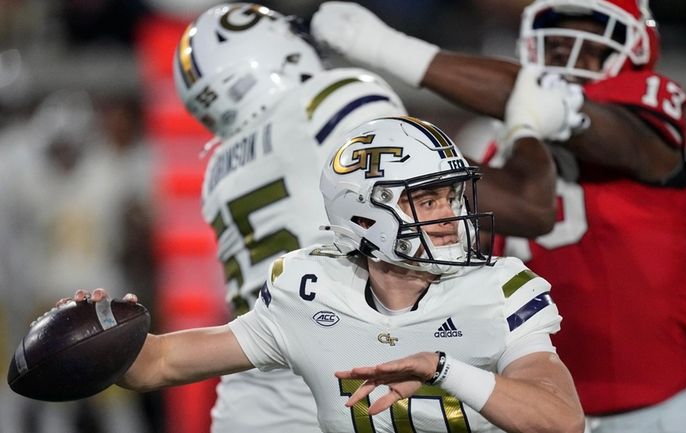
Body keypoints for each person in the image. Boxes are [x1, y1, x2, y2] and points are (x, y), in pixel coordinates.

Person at [311, 1, 686, 432]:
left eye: (587, 45)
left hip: (650, 403)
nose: (565, 57)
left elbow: (605, 131)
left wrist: (383, 46)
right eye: (555, 43)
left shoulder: (640, 122)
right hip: (537, 399)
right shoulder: (497, 150)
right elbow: (527, 209)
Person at [58, 116, 584, 433]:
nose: (452, 215)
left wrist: (443, 369)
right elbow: (160, 365)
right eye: (427, 200)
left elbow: (562, 421)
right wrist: (102, 335)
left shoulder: (498, 290)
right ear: (363, 216)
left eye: (451, 196)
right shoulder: (310, 291)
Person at [171, 3, 406, 432]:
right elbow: (429, 194)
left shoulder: (217, 170)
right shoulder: (328, 100)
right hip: (345, 392)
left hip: (250, 405)